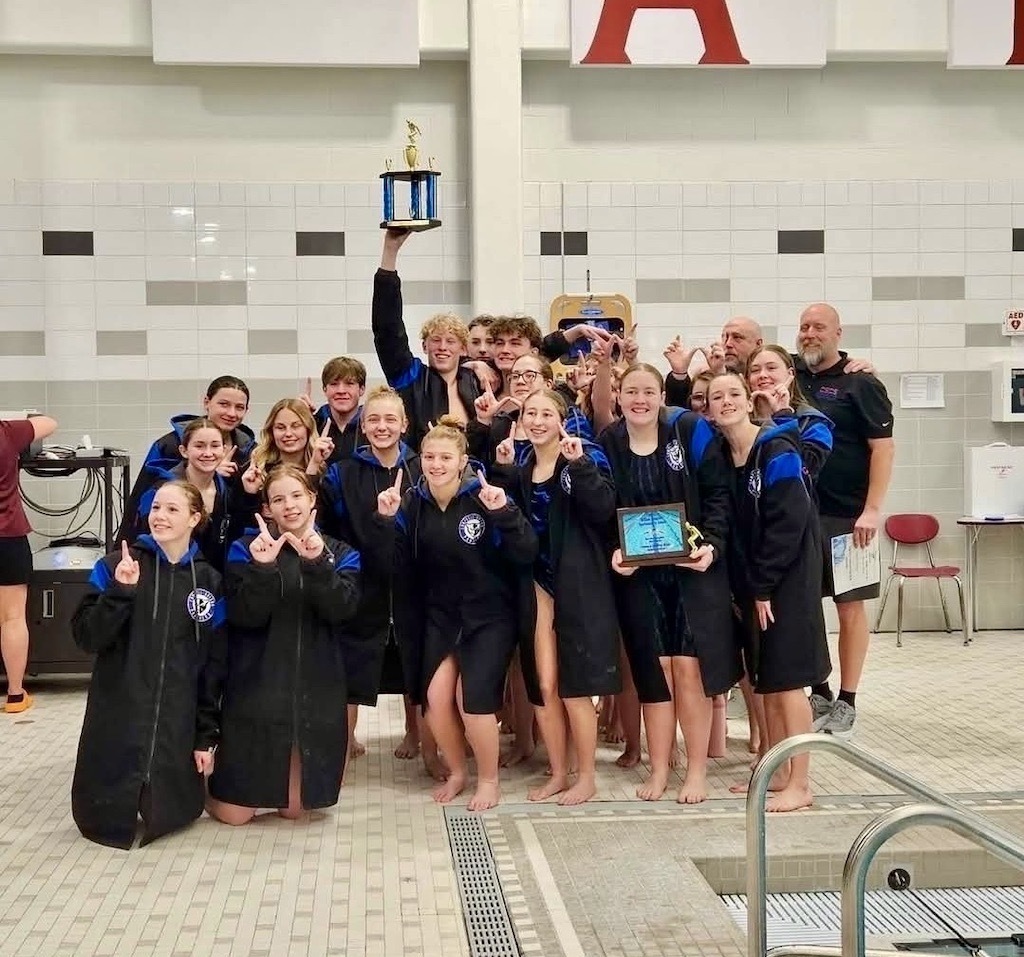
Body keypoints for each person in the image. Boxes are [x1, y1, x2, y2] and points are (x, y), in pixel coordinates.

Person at [378, 418, 537, 810]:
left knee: (473, 700)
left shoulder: (484, 496)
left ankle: (489, 780)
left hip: (489, 615)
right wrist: (385, 522)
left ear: (463, 460)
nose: (436, 464)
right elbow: (395, 566)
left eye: (446, 457)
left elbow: (526, 552)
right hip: (442, 616)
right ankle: (458, 772)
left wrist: (506, 514)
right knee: (434, 700)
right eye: (429, 457)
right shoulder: (413, 503)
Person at [599, 364, 740, 804]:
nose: (639, 400)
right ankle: (659, 768)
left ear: (662, 396)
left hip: (691, 571)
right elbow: (603, 507)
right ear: (619, 397)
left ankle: (695, 770)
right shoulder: (610, 441)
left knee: (688, 670)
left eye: (648, 391)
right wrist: (614, 551)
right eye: (631, 391)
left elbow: (719, 494)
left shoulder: (690, 430)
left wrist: (712, 545)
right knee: (655, 673)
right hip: (641, 576)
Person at [70, 481, 226, 847]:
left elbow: (212, 666)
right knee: (106, 800)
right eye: (156, 508)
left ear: (194, 518)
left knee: (175, 809)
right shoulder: (116, 565)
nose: (160, 516)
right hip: (118, 710)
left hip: (177, 718)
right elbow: (87, 637)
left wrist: (205, 736)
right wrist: (120, 593)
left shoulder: (209, 582)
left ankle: (163, 804)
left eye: (172, 509)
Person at [207, 467, 361, 825]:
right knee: (235, 815)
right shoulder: (245, 549)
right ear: (267, 509)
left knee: (295, 811)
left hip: (315, 682)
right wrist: (262, 569)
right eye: (278, 499)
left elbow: (342, 610)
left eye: (296, 496)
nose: (289, 505)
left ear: (312, 499)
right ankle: (204, 784)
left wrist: (317, 563)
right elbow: (244, 616)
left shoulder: (340, 552)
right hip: (257, 681)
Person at [708, 372, 831, 813]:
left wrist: (762, 585)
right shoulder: (728, 456)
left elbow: (789, 522)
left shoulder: (776, 448)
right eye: (717, 397)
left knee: (790, 683)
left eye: (733, 394)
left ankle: (801, 782)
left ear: (749, 401)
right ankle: (778, 772)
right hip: (757, 582)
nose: (726, 401)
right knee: (771, 684)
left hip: (787, 581)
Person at [498, 391, 620, 806]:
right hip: (537, 582)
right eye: (530, 413)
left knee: (574, 686)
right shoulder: (522, 469)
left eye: (546, 413)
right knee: (544, 684)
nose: (536, 421)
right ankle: (558, 771)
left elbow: (604, 510)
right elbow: (512, 525)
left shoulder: (581, 458)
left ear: (562, 420)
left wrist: (580, 466)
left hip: (578, 583)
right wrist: (502, 472)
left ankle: (586, 776)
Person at [318, 387, 437, 775]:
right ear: (362, 426)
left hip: (412, 583)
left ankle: (417, 738)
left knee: (414, 665)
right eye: (373, 419)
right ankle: (342, 748)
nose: (382, 426)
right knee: (351, 671)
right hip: (362, 582)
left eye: (390, 419)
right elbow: (326, 527)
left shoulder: (422, 468)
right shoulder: (343, 472)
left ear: (404, 424)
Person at [793, 303, 895, 740]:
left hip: (850, 519)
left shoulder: (861, 383)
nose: (810, 333)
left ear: (838, 332)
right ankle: (819, 690)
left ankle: (847, 701)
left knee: (850, 607)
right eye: (804, 327)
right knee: (805, 607)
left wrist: (872, 509)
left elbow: (883, 449)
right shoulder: (790, 374)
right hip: (799, 516)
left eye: (819, 326)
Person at [372, 229, 481, 450]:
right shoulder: (412, 378)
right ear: (424, 346)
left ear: (463, 349)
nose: (442, 347)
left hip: (472, 469)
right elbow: (387, 329)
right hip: (421, 468)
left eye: (450, 341)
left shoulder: (478, 382)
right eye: (435, 340)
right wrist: (390, 251)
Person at [120, 418, 235, 571]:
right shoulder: (160, 491)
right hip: (163, 575)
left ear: (224, 450)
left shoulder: (226, 490)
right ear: (184, 451)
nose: (208, 453)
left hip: (209, 578)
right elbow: (142, 539)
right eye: (199, 446)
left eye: (215, 446)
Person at [1, 413, 58, 713]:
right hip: (8, 538)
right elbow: (49, 423)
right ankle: (15, 694)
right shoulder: (7, 433)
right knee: (12, 618)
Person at [470, 354, 592, 468]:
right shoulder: (502, 423)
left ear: (548, 384)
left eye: (529, 375)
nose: (520, 381)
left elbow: (589, 459)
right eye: (515, 376)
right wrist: (483, 420)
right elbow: (475, 463)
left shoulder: (569, 418)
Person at [240, 398, 333, 498]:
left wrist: (314, 465)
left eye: (296, 426)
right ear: (271, 432)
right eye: (280, 427)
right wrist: (250, 494)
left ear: (308, 429)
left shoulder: (325, 472)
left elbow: (310, 504)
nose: (288, 433)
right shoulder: (255, 472)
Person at [301, 356, 367, 464]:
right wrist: (299, 417)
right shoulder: (313, 425)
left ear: (362, 389)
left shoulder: (372, 428)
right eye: (334, 384)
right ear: (325, 389)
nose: (341, 391)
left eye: (349, 383)